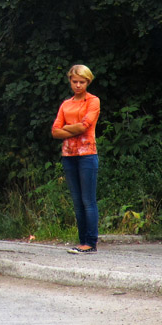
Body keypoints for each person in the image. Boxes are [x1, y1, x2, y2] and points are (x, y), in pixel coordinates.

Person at [52, 64, 101, 254]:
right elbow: (55, 131)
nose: (78, 85)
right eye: (75, 82)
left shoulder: (93, 101)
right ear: (70, 82)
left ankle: (91, 241)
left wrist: (67, 129)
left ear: (88, 82)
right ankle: (82, 241)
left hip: (87, 154)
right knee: (77, 200)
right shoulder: (66, 104)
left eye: (82, 82)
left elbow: (85, 126)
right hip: (69, 155)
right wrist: (75, 127)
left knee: (88, 199)